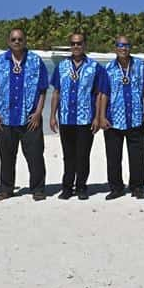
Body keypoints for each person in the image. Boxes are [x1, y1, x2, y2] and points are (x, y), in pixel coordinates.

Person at [0, 28, 50, 201]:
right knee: (6, 157)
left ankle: (38, 189)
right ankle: (6, 189)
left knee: (35, 156)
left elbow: (43, 90)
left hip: (30, 119)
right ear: (8, 41)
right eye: (13, 39)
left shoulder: (36, 61)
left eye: (20, 39)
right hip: (5, 119)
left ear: (25, 41)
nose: (16, 42)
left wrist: (38, 113)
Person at [49, 32, 104, 200]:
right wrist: (52, 116)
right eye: (73, 44)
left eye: (79, 43)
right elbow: (56, 92)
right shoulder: (62, 66)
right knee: (68, 155)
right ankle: (67, 187)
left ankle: (81, 187)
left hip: (85, 118)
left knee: (83, 155)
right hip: (66, 118)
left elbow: (100, 94)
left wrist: (97, 118)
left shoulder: (95, 67)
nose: (76, 47)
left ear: (85, 45)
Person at [97, 35, 144, 200]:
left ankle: (137, 187)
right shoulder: (107, 68)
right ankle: (116, 188)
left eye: (126, 45)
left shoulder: (141, 65)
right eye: (120, 45)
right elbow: (103, 93)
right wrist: (100, 116)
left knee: (138, 156)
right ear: (115, 48)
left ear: (130, 47)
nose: (123, 48)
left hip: (136, 119)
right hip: (113, 120)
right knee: (113, 157)